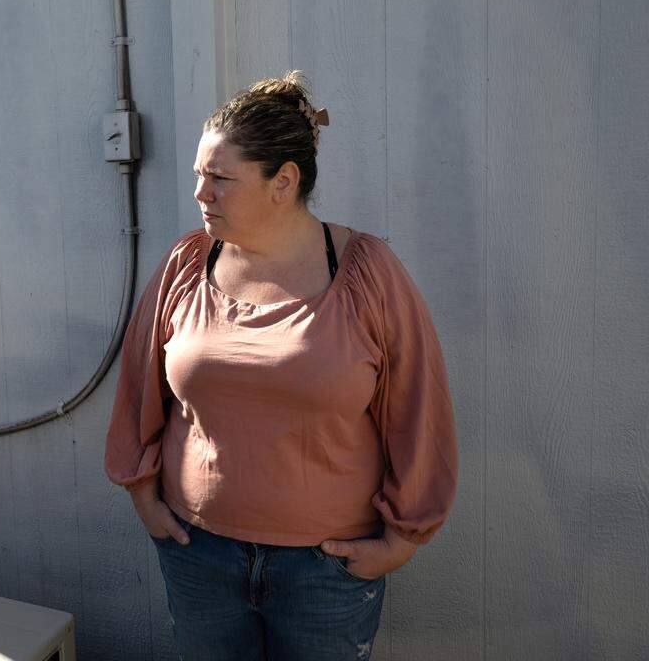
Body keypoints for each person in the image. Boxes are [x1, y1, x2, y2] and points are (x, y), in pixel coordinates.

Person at [105, 73, 458, 660]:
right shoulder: (186, 264)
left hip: (325, 570)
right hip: (199, 554)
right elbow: (140, 388)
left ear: (283, 182)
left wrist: (401, 540)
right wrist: (144, 495)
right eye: (199, 175)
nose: (201, 193)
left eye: (220, 178)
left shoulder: (366, 272)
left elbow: (418, 410)